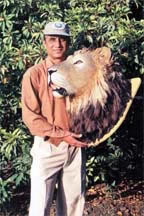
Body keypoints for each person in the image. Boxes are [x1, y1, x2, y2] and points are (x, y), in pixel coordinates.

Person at [21, 21, 88, 216]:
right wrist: (61, 134)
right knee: (39, 207)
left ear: (68, 42)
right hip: (47, 146)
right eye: (52, 39)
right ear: (44, 43)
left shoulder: (80, 72)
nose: (57, 44)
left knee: (73, 207)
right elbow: (31, 117)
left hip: (75, 146)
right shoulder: (34, 75)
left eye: (62, 39)